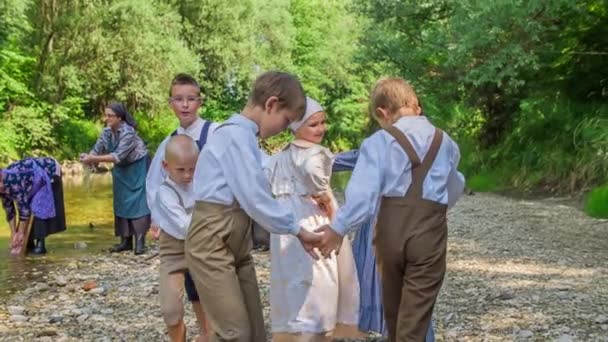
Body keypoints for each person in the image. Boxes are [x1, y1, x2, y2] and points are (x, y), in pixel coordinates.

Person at [316, 78, 465, 341]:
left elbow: (363, 195)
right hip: (430, 231)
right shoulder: (447, 142)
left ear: (383, 113)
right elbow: (455, 185)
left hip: (389, 231)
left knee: (393, 309)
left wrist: (338, 228)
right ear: (416, 106)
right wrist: (435, 209)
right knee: (416, 310)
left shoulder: (378, 142)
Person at [185, 71, 322, 342]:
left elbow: (268, 172)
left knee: (255, 330)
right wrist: (297, 229)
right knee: (234, 333)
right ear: (271, 104)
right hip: (212, 241)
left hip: (236, 242)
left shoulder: (246, 138)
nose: (284, 129)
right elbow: (256, 198)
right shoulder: (234, 136)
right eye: (286, 121)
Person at [265, 98, 361, 341]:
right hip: (312, 219)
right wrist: (327, 200)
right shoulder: (315, 153)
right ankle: (317, 328)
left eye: (322, 123)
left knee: (291, 279)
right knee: (319, 277)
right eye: (313, 125)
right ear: (296, 127)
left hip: (287, 226)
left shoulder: (278, 157)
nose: (320, 129)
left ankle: (294, 329)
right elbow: (314, 177)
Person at [146, 73, 219, 238]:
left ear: (199, 102)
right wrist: (156, 219)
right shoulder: (168, 143)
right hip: (178, 222)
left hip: (212, 219)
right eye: (178, 99)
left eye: (191, 99)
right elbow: (155, 183)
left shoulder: (216, 133)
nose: (185, 105)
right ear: (170, 103)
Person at [154, 135, 211, 342]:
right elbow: (186, 226)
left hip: (202, 247)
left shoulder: (202, 183)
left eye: (193, 169)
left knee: (210, 298)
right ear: (166, 165)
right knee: (171, 309)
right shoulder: (164, 193)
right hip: (174, 250)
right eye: (181, 170)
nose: (188, 175)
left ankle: (208, 334)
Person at [80, 103, 151, 255]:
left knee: (139, 202)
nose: (107, 119)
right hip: (120, 169)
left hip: (137, 166)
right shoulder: (106, 132)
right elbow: (97, 149)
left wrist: (94, 157)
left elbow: (118, 156)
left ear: (120, 117)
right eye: (105, 115)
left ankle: (140, 243)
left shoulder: (128, 132)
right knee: (121, 201)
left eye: (110, 116)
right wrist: (90, 158)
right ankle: (125, 241)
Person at [1, 157, 66, 255]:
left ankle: (40, 245)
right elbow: (9, 210)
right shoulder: (3, 188)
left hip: (49, 170)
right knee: (28, 208)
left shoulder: (12, 180)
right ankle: (28, 242)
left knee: (38, 205)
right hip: (33, 178)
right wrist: (14, 234)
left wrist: (21, 233)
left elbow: (24, 210)